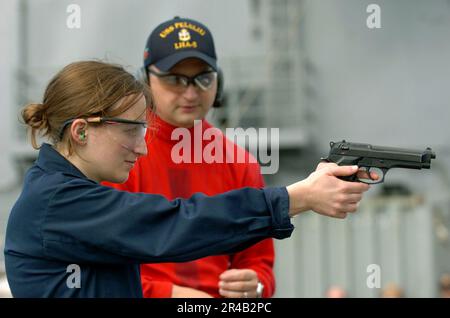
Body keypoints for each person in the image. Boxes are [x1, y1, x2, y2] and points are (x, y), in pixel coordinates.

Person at [4, 60, 372, 298]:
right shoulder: (60, 203)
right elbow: (175, 224)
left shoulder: (58, 196)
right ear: (82, 132)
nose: (142, 148)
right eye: (132, 131)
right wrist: (298, 197)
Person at [103, 16, 275, 299]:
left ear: (219, 81)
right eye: (175, 79)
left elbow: (258, 262)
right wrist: (169, 294)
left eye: (203, 79)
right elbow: (100, 265)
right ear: (145, 81)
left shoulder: (239, 163)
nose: (191, 92)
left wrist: (255, 284)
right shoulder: (118, 155)